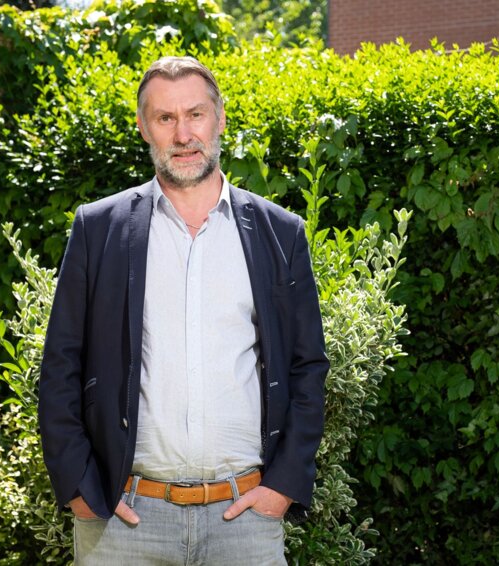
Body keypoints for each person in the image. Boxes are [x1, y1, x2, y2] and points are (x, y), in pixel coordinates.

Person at [38, 56, 329, 565]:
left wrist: (282, 487)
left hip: (243, 519)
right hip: (123, 521)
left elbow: (307, 367)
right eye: (165, 118)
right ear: (143, 127)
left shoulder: (280, 233)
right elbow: (61, 366)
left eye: (195, 114)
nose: (183, 133)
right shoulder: (98, 228)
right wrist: (79, 488)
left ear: (219, 117)